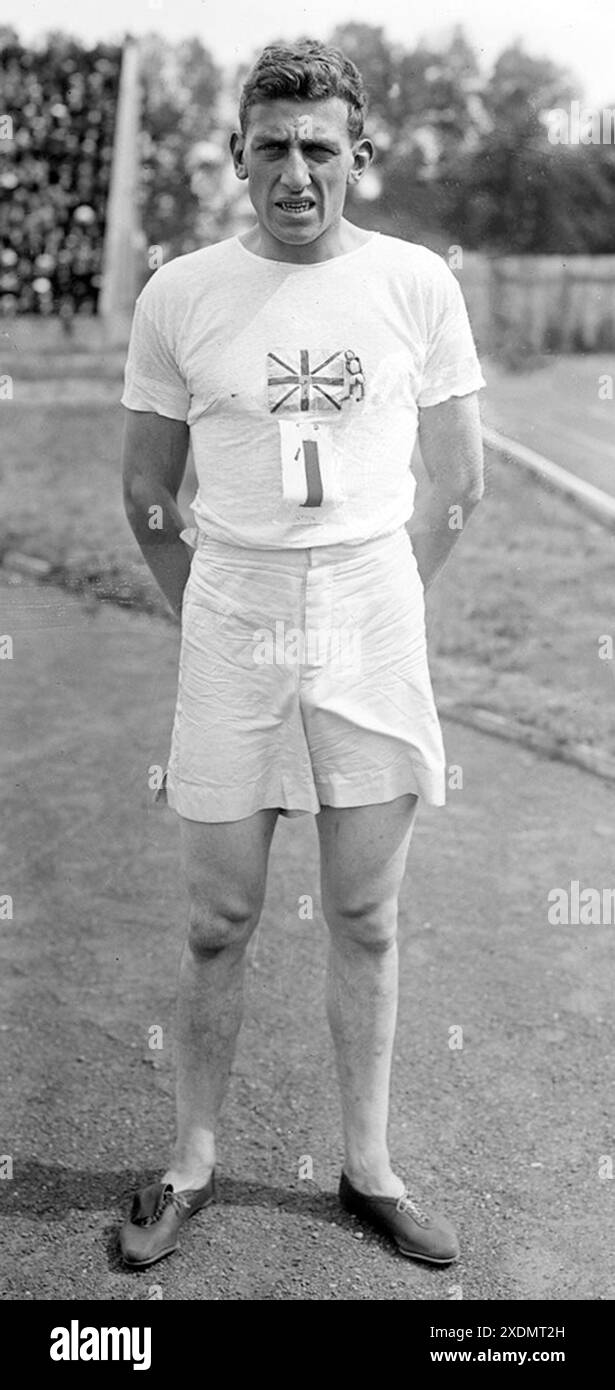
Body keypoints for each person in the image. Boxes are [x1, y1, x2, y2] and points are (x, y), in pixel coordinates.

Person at [119, 37, 485, 1271]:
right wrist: (217, 610)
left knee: (367, 913)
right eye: (270, 146)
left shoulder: (419, 284)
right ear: (237, 156)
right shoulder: (179, 293)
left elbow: (458, 483)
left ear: (359, 157)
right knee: (219, 918)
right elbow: (146, 490)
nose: (294, 170)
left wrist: (373, 606)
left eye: (319, 147)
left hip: (372, 613)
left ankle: (370, 1165)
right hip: (232, 609)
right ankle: (190, 1161)